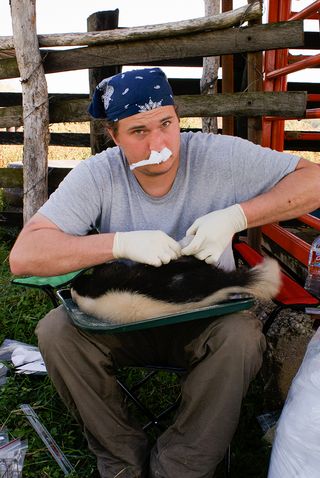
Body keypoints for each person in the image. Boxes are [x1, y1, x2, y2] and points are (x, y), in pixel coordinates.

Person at [9, 67, 320, 478]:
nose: (159, 143)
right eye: (138, 131)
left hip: (206, 315)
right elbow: (25, 256)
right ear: (114, 137)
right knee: (56, 332)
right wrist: (117, 243)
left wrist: (237, 215)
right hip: (127, 314)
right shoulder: (98, 174)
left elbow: (314, 179)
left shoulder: (216, 155)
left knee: (242, 338)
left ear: (177, 118)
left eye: (166, 124)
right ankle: (120, 460)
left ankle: (181, 466)